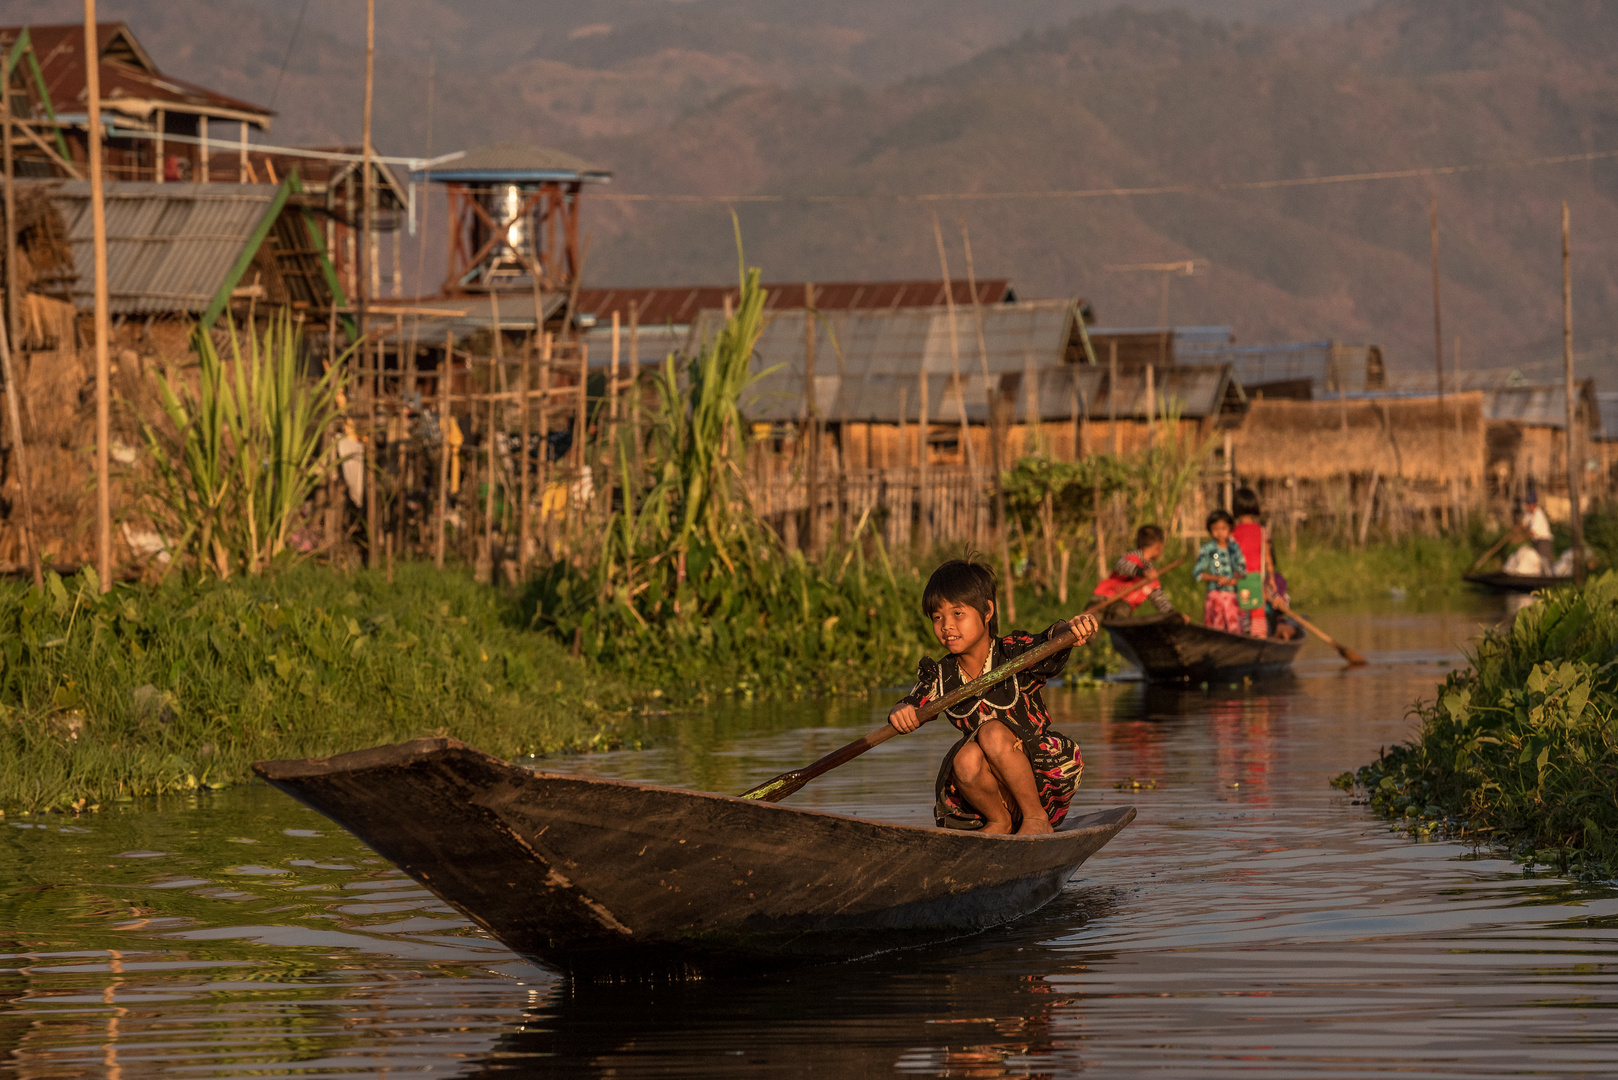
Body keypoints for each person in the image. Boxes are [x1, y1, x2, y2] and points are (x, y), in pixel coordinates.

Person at [888, 559, 1098, 835]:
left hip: (1042, 777)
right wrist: (901, 711)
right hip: (990, 787)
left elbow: (1049, 639)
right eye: (938, 617)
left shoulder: (1013, 652)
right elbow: (914, 702)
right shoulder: (941, 674)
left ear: (987, 611)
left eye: (958, 614)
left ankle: (1036, 820)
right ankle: (999, 820)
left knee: (992, 734)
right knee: (964, 759)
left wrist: (1070, 630)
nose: (946, 626)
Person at [1091, 524, 1177, 621]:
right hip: (1102, 599)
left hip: (1121, 606)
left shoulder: (1151, 574)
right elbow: (1121, 566)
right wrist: (1141, 572)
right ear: (1159, 546)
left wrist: (1173, 615)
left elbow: (1159, 599)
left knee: (1121, 622)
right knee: (1088, 627)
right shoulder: (1131, 558)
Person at [1194, 508, 1246, 634]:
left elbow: (1242, 570)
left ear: (1229, 529)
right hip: (1214, 596)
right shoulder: (1208, 549)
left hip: (1231, 595)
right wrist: (1216, 579)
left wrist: (1235, 580)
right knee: (1215, 631)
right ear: (1210, 530)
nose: (1220, 533)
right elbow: (1197, 573)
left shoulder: (1234, 548)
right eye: (1215, 529)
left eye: (1223, 528)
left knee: (1235, 629)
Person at [1231, 488, 1271, 638]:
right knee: (1258, 615)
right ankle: (1261, 639)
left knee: (1240, 613)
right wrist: (1270, 579)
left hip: (1239, 580)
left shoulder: (1232, 533)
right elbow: (1267, 559)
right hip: (1257, 580)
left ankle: (1241, 637)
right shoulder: (1262, 531)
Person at [1523, 490, 1554, 570]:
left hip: (1543, 541)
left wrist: (1519, 539)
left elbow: (1532, 533)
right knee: (1537, 563)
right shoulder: (1528, 513)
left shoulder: (1538, 515)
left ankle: (1550, 580)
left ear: (1535, 504)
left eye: (1530, 505)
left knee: (1545, 563)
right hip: (1535, 541)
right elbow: (1524, 525)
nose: (1528, 507)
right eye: (1528, 504)